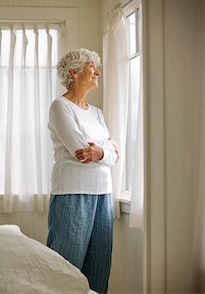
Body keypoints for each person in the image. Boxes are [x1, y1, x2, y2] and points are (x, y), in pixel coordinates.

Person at [46, 48, 119, 294]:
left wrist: (101, 152)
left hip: (103, 195)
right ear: (74, 72)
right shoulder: (60, 107)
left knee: (99, 270)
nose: (97, 71)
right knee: (66, 269)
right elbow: (80, 150)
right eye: (92, 67)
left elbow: (113, 154)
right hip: (71, 193)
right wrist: (105, 152)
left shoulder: (97, 113)